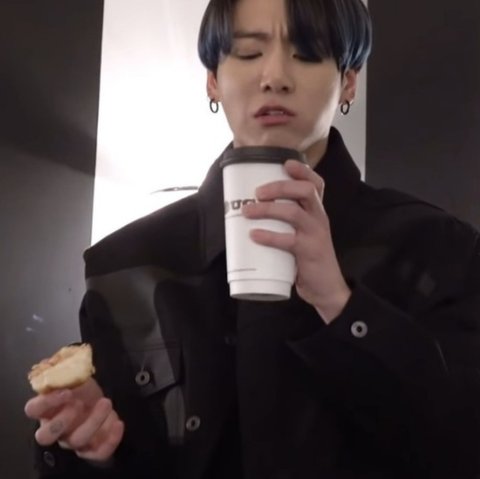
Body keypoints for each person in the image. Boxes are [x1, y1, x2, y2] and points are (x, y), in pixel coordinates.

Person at [24, 0, 480, 477]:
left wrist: (341, 304)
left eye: (306, 53)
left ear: (348, 80)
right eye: (247, 53)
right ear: (212, 79)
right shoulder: (126, 266)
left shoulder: (436, 249)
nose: (275, 77)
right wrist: (91, 449)